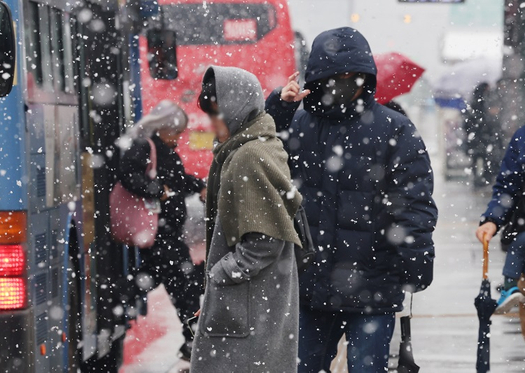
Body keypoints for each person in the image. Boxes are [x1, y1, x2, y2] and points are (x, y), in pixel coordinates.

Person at [265, 27, 437, 373]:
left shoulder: (395, 130)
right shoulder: (297, 124)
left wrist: (415, 260)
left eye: (351, 75)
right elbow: (262, 161)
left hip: (373, 285)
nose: (344, 83)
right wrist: (279, 110)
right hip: (312, 285)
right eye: (336, 76)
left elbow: (414, 203)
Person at [190, 66, 302, 373]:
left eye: (217, 113)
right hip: (256, 307)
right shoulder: (255, 145)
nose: (211, 123)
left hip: (249, 312)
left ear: (236, 110)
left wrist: (220, 275)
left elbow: (265, 242)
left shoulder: (247, 156)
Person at [118, 100, 206, 363]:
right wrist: (156, 190)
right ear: (165, 129)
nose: (179, 139)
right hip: (160, 233)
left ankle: (116, 311)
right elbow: (128, 174)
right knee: (185, 288)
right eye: (177, 133)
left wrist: (200, 186)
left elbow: (177, 179)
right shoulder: (147, 147)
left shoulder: (162, 150)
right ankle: (192, 340)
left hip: (164, 234)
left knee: (155, 281)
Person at [476, 125, 525, 313]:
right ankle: (510, 287)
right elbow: (508, 187)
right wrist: (492, 220)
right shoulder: (522, 138)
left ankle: (509, 287)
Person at [464, 82, 501, 187]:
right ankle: (483, 178)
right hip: (482, 136)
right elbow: (485, 121)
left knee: (477, 159)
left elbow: (467, 122)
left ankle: (478, 178)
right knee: (484, 158)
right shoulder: (483, 103)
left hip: (476, 137)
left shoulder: (474, 103)